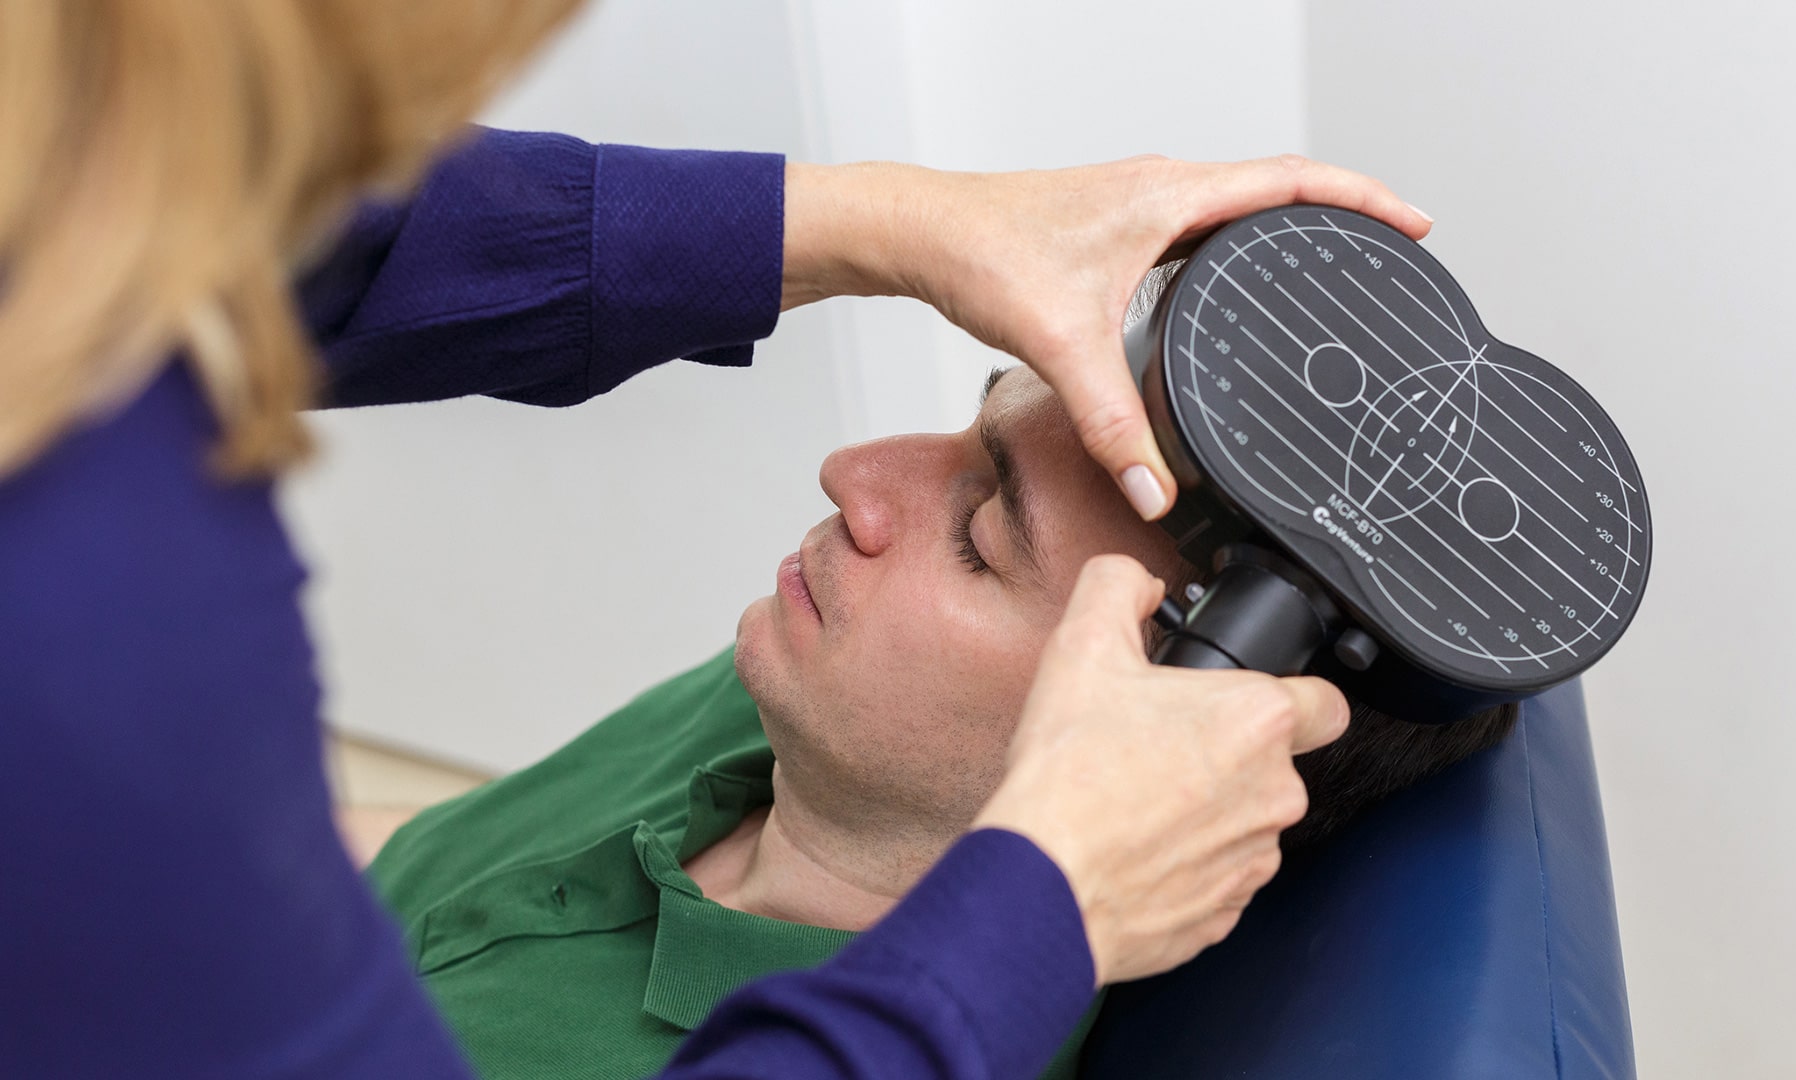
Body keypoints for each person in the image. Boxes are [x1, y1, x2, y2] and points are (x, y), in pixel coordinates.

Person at [0, 5, 1431, 1077]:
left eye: (983, 538)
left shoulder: (815, 705)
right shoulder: (777, 716)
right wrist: (1035, 912)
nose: (851, 475)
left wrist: (891, 221)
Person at [344, 365, 1516, 1080]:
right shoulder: (801, 703)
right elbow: (420, 865)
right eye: (969, 419)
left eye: (980, 537)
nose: (850, 472)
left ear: (1146, 734)